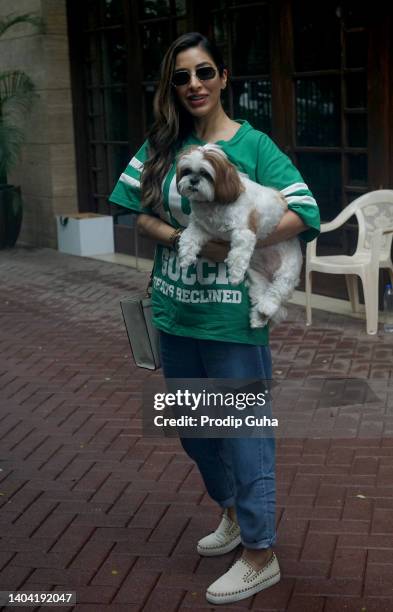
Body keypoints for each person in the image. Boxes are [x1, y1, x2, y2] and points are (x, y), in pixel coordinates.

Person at [109, 32, 320, 605]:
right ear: (172, 86)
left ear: (224, 77)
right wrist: (183, 236)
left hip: (233, 321)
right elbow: (132, 213)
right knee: (195, 430)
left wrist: (236, 243)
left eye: (204, 72)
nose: (194, 84)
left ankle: (260, 553)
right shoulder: (163, 145)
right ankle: (231, 512)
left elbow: (306, 211)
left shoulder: (253, 146)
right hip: (175, 313)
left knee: (244, 433)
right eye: (181, 76)